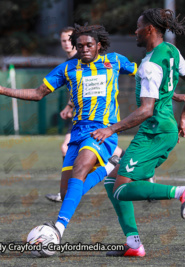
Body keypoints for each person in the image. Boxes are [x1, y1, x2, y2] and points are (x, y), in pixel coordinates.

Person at [0, 24, 137, 250]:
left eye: (89, 45)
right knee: (68, 193)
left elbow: (146, 75)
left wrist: (171, 94)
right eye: (80, 45)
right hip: (78, 132)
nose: (84, 49)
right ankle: (108, 167)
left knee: (81, 168)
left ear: (99, 45)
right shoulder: (67, 68)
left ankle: (58, 229)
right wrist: (3, 90)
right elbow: (38, 94)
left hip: (103, 130)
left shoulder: (114, 61)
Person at [91, 8, 185, 257]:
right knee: (112, 180)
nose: (135, 31)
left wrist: (111, 128)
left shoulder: (150, 65)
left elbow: (146, 111)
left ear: (150, 29)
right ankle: (133, 243)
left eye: (138, 27)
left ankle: (181, 191)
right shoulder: (170, 51)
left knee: (121, 189)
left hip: (154, 133)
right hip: (162, 130)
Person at [45, 27, 125, 203]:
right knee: (110, 151)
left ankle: (121, 165)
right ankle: (124, 162)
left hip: (95, 120)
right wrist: (69, 106)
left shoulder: (95, 60)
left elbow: (92, 88)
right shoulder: (70, 64)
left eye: (68, 40)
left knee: (69, 149)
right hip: (79, 119)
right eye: (63, 41)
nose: (66, 44)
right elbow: (81, 89)